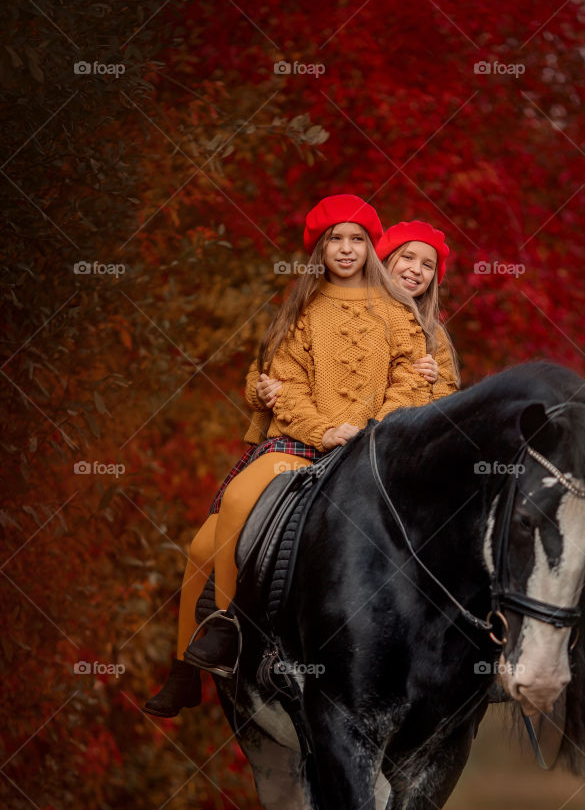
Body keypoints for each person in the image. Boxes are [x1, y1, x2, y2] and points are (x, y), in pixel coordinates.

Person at [143, 194, 436, 715]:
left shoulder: (397, 313)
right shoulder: (301, 311)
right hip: (299, 445)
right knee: (209, 536)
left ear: (372, 248)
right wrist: (325, 430)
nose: (345, 249)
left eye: (357, 239)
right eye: (334, 239)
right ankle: (197, 657)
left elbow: (411, 379)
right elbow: (285, 384)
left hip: (368, 450)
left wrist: (370, 430)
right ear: (320, 249)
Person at [253, 219, 460, 411]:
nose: (416, 269)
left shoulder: (432, 334)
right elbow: (273, 370)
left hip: (390, 429)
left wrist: (431, 382)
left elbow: (447, 404)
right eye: (407, 257)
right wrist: (259, 391)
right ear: (383, 261)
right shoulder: (345, 312)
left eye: (427, 265)